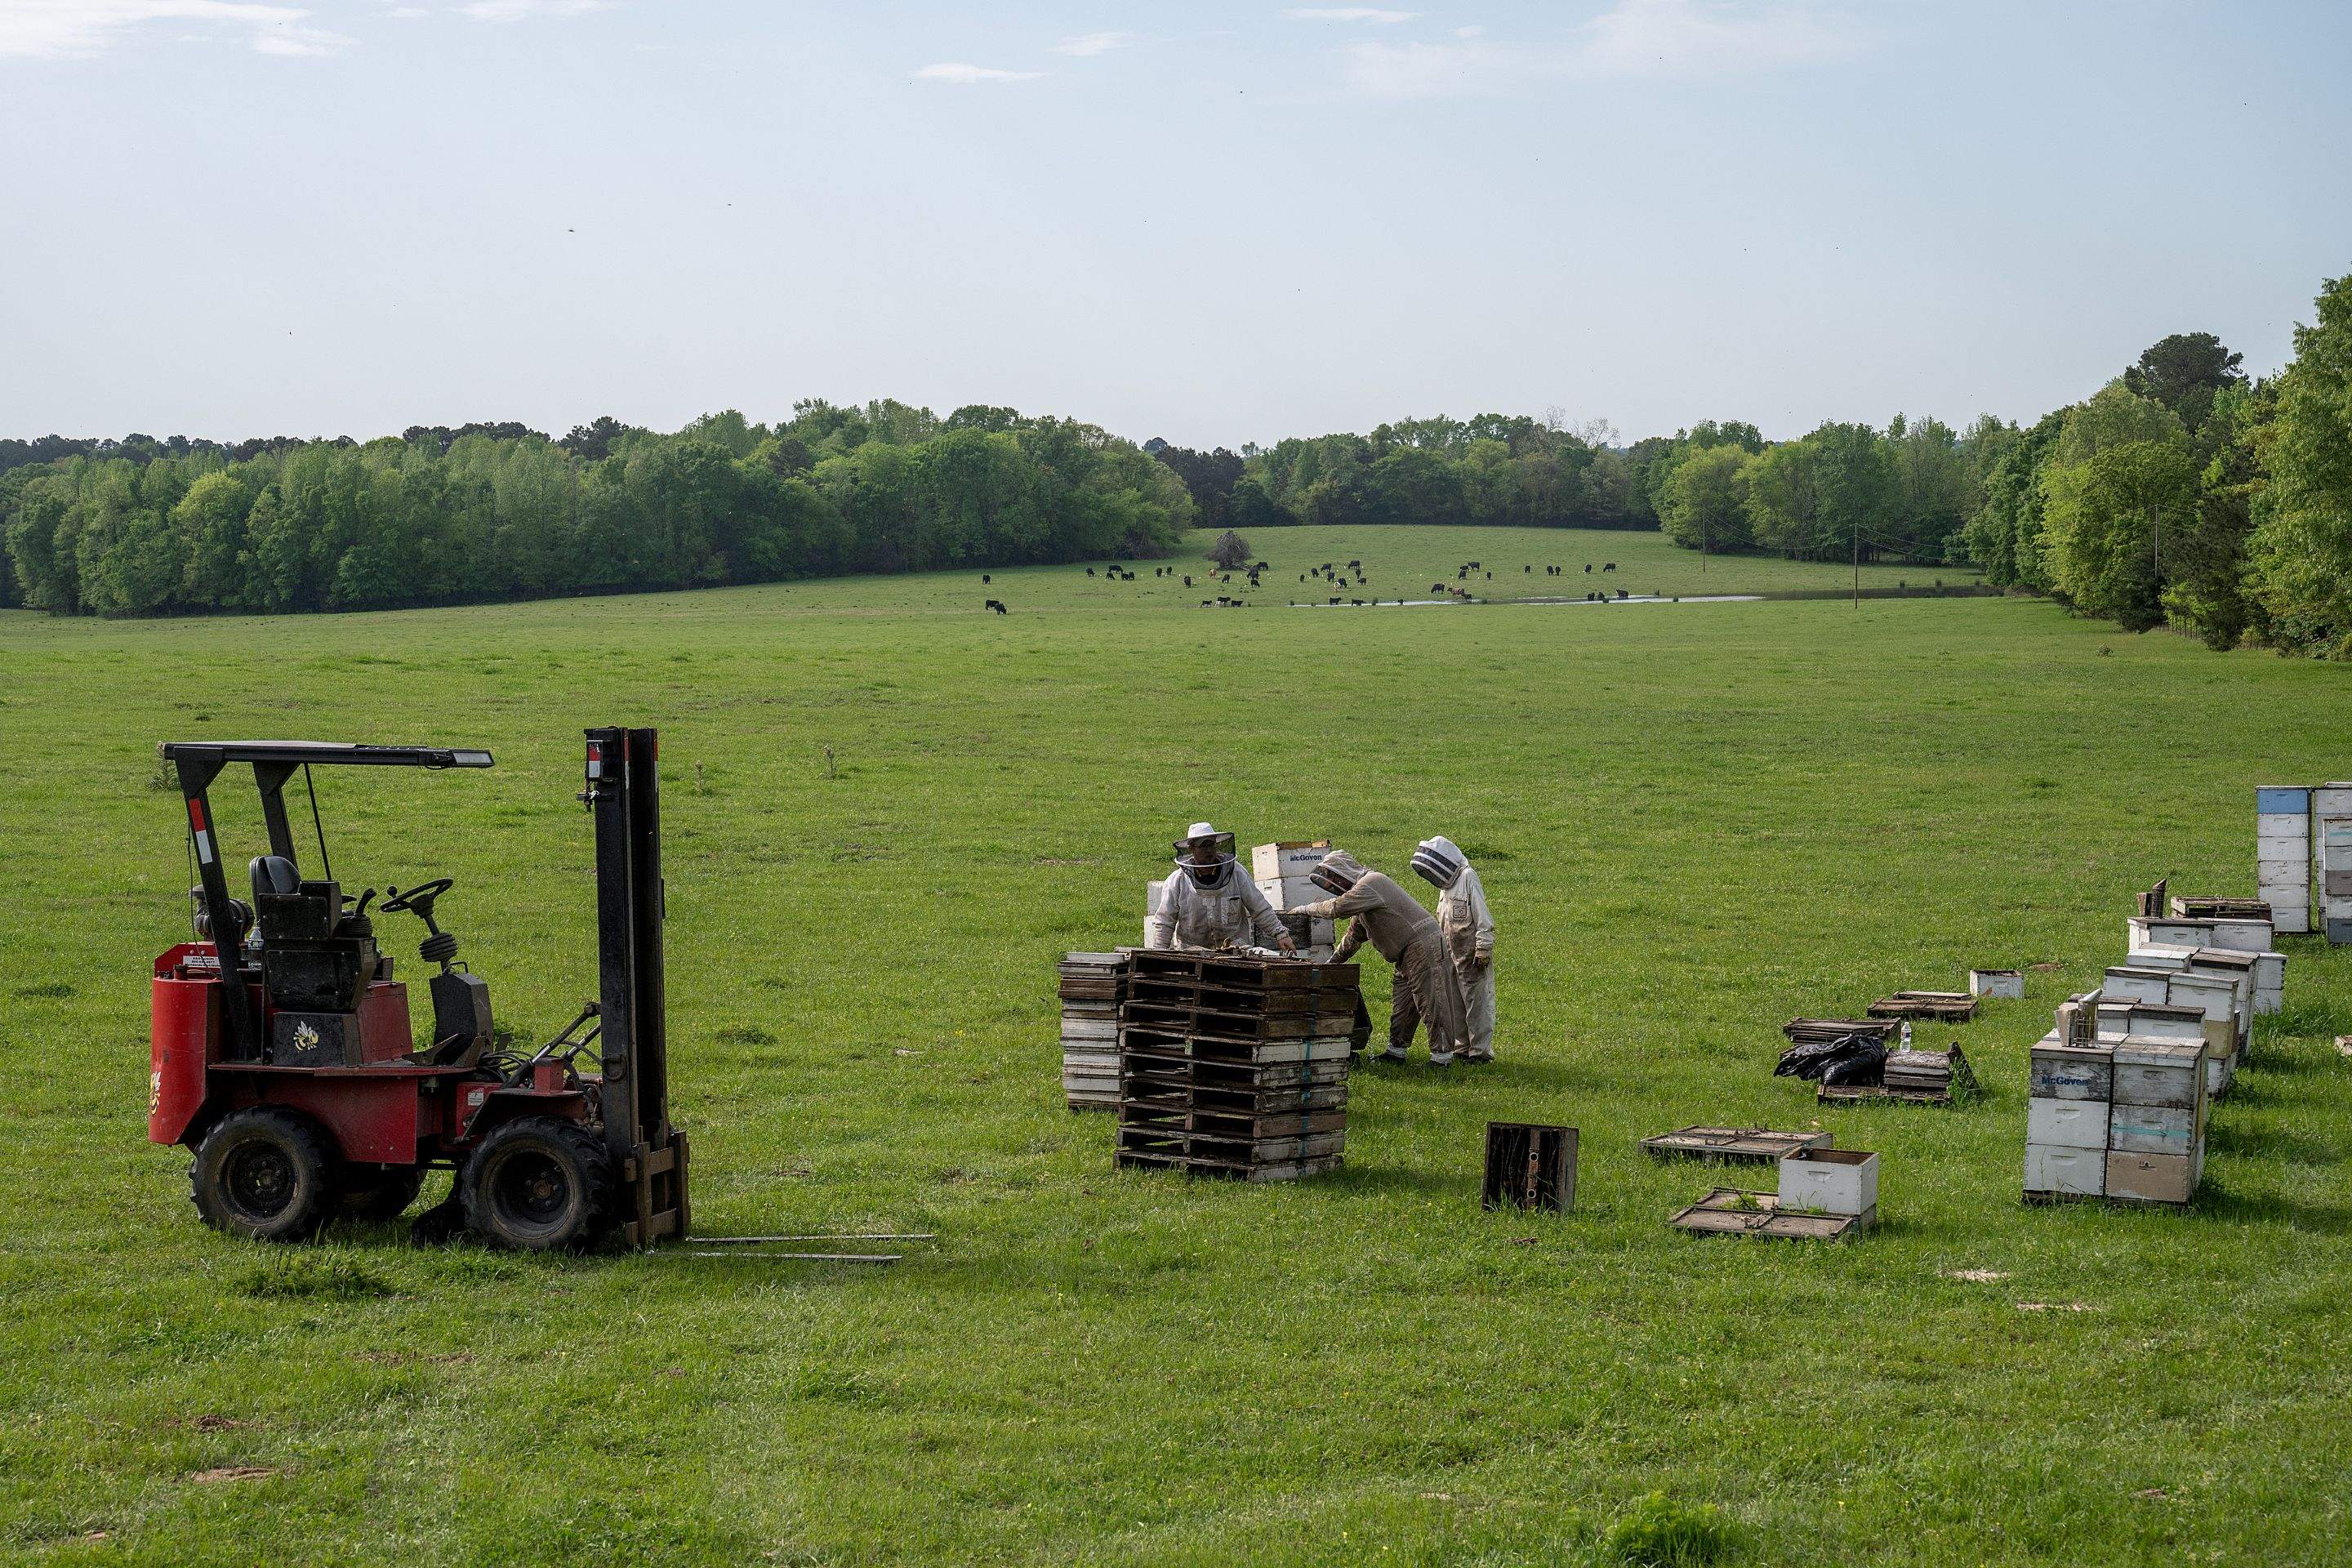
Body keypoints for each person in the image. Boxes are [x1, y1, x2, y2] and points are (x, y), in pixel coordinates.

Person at [1294, 849, 1467, 1066]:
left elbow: (1337, 908)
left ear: (1342, 871)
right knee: (1403, 1004)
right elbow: (1352, 939)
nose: (1332, 887)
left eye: (1333, 880)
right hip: (1406, 952)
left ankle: (1442, 1058)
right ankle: (1396, 1052)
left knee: (1431, 1000)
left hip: (1422, 945)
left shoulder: (1372, 883)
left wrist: (1304, 909)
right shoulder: (1364, 901)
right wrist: (1331, 965)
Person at [1145, 822, 1294, 953]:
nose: (1209, 850)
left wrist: (1280, 934)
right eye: (1203, 846)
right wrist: (1159, 952)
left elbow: (1259, 907)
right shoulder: (1177, 881)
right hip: (1192, 953)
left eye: (1211, 844)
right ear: (1191, 848)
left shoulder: (1236, 872)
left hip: (1235, 951)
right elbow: (1165, 920)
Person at [1411, 835, 1494, 1062]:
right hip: (1451, 953)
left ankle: (1480, 1052)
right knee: (1455, 1003)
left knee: (1476, 1004)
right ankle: (1462, 1047)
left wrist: (1483, 948)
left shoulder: (1468, 877)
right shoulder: (1445, 887)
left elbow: (1482, 916)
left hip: (1472, 954)